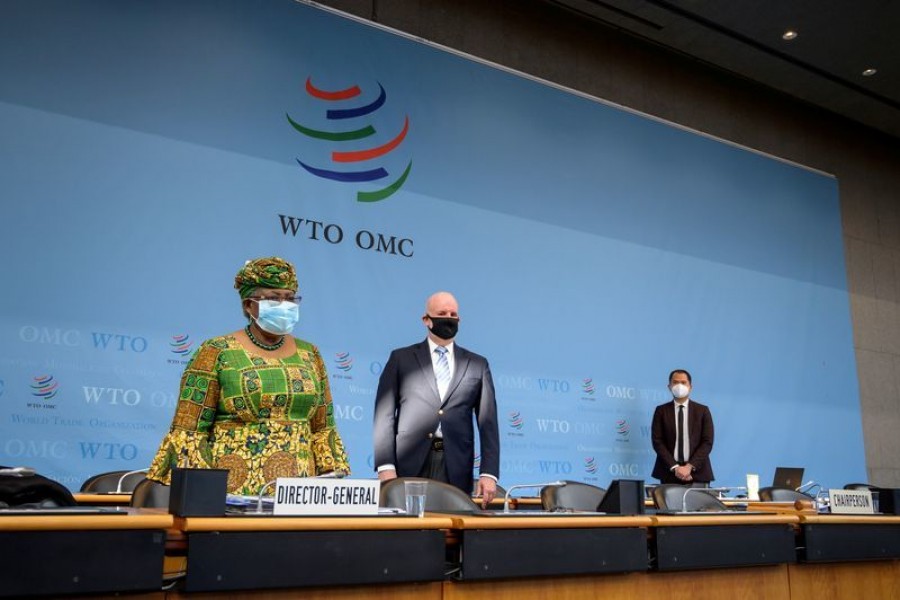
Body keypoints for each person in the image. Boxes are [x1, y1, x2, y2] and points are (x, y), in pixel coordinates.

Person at [148, 257, 349, 495]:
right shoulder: (216, 351)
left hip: (298, 499)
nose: (285, 305)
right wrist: (202, 497)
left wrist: (331, 487)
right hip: (231, 498)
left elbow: (323, 428)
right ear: (248, 305)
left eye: (290, 298)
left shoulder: (310, 353)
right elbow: (189, 431)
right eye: (274, 298)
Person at [373, 291, 500, 506]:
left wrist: (489, 472)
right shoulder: (401, 359)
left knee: (451, 528)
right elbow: (384, 415)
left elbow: (488, 423)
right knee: (407, 531)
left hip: (456, 465)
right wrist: (385, 466)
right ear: (426, 320)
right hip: (409, 463)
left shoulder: (478, 364)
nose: (449, 318)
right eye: (442, 313)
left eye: (453, 314)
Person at [651, 369, 714, 485]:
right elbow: (657, 441)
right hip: (669, 472)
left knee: (700, 503)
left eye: (683, 382)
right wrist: (675, 467)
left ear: (690, 386)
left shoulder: (702, 411)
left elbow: (707, 442)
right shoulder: (661, 411)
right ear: (669, 386)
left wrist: (689, 467)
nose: (679, 386)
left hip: (698, 473)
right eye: (675, 382)